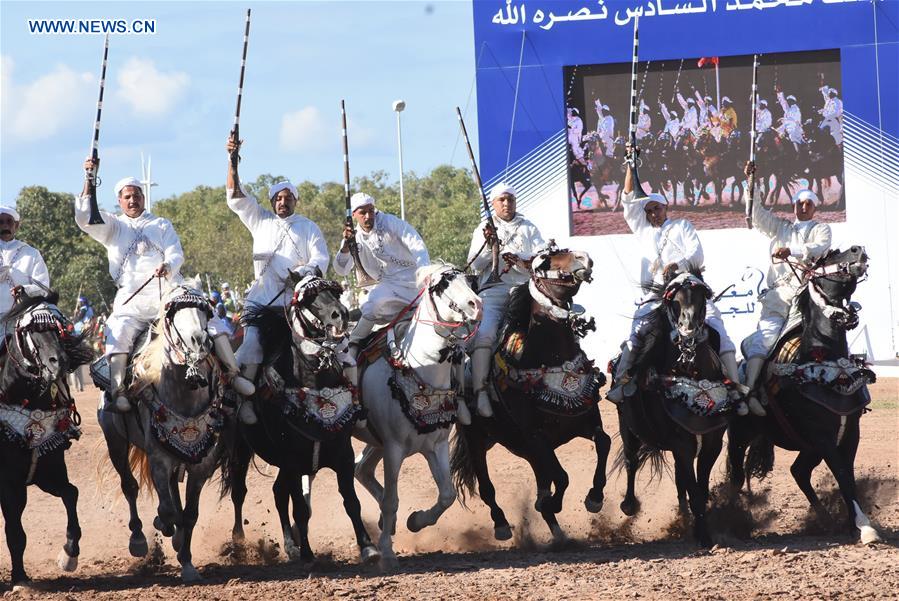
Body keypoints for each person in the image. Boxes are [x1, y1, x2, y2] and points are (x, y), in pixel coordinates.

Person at [76, 158, 253, 414]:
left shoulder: (161, 224)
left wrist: (168, 265)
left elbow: (176, 252)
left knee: (208, 321)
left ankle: (234, 375)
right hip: (131, 302)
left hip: (169, 294)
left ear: (143, 197)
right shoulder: (113, 226)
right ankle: (118, 390)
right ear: (119, 201)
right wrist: (89, 177)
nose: (133, 200)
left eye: (137, 195)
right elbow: (84, 218)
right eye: (127, 197)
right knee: (119, 331)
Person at [606, 147, 751, 414]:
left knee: (720, 332)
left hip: (688, 288)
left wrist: (678, 266)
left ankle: (736, 391)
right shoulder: (643, 230)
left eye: (657, 209)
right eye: (648, 210)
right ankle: (622, 381)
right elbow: (628, 200)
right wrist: (630, 164)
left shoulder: (682, 226)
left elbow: (697, 253)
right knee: (636, 334)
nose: (652, 214)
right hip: (655, 296)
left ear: (666, 208)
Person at [225, 137, 329, 424]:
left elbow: (321, 259)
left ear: (295, 200)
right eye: (278, 198)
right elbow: (234, 195)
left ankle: (330, 396)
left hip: (296, 305)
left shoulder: (308, 227)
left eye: (288, 197)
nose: (283, 202)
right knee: (251, 347)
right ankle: (244, 402)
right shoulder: (260, 219)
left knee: (321, 348)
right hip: (261, 301)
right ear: (272, 202)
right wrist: (233, 160)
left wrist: (303, 273)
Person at [741, 161, 832, 414]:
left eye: (808, 203)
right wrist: (752, 182)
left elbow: (818, 248)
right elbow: (757, 214)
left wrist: (791, 251)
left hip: (808, 295)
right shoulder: (781, 227)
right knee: (765, 340)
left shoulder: (821, 229)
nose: (803, 207)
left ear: (815, 207)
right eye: (799, 203)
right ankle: (749, 392)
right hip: (778, 296)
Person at [466, 183, 545, 424]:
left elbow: (542, 258)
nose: (507, 203)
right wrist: (490, 248)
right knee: (486, 335)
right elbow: (473, 265)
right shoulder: (484, 228)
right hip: (494, 291)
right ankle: (480, 391)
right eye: (502, 200)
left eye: (510, 199)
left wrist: (522, 259)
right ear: (493, 203)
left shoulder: (528, 227)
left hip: (526, 290)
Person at [334, 192, 429, 368]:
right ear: (354, 215)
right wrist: (346, 247)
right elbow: (341, 270)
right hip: (390, 285)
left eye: (371, 210)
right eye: (363, 212)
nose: (368, 216)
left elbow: (416, 244)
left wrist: (424, 270)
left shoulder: (390, 222)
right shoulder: (352, 237)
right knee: (372, 304)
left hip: (416, 281)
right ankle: (353, 347)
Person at [0, 205, 51, 340]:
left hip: (21, 319)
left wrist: (25, 290)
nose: (5, 226)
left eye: (9, 222)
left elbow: (43, 287)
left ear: (16, 226)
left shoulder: (31, 253)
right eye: (1, 222)